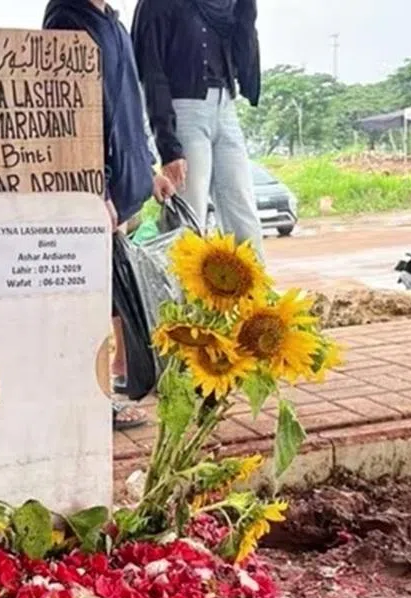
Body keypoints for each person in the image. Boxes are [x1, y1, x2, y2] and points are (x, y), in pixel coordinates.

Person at [43, 0, 176, 431]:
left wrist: (149, 168)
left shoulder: (112, 21)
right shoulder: (67, 18)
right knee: (88, 302)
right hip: (95, 192)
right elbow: (69, 112)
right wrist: (93, 188)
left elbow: (128, 107)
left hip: (123, 187)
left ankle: (111, 384)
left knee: (112, 298)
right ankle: (88, 399)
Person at [132, 0, 265, 259]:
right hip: (184, 109)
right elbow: (152, 72)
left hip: (225, 104)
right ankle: (182, 299)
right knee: (189, 219)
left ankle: (256, 296)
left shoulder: (228, 5)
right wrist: (168, 147)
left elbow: (244, 47)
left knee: (243, 209)